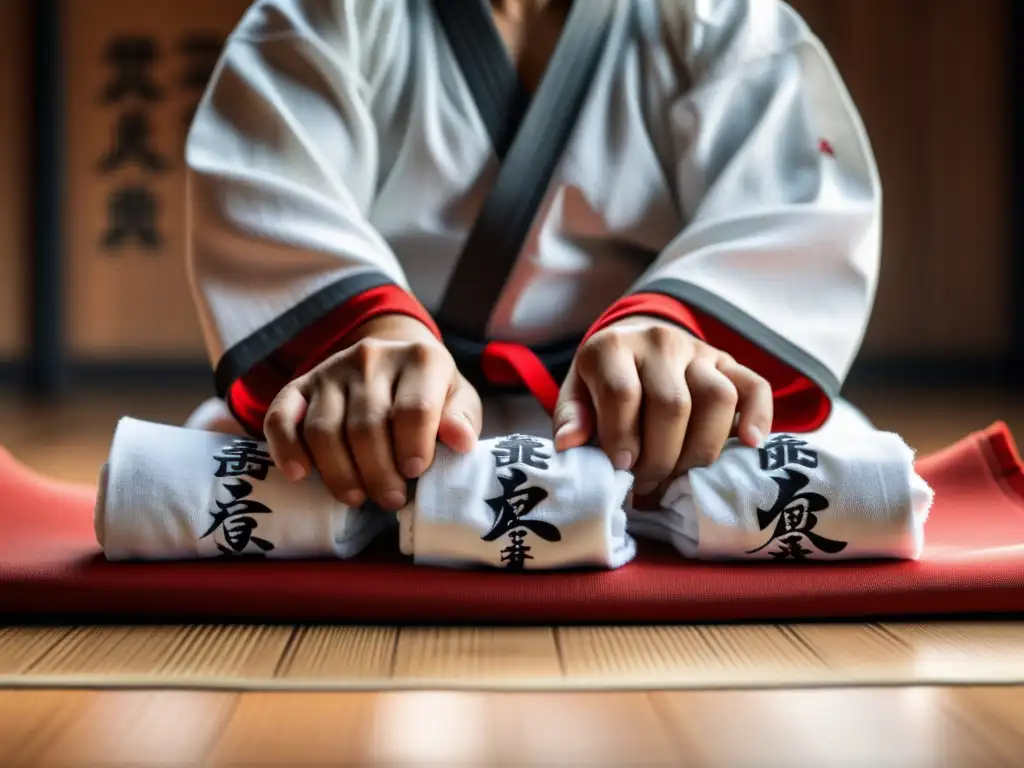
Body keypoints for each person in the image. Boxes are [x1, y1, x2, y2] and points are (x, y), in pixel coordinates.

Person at [184, 0, 880, 513]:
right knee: (213, 497)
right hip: (373, 406)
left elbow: (798, 204)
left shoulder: (718, 20)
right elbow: (268, 189)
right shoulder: (328, 14)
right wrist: (368, 328)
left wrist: (678, 328)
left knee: (838, 491)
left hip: (654, 412)